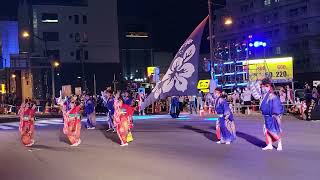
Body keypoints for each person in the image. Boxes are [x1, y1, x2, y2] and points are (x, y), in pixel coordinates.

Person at [260, 78, 284, 151]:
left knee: (275, 130)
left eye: (264, 86)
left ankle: (280, 144)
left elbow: (276, 106)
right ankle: (269, 144)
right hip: (266, 116)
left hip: (273, 116)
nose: (263, 88)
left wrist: (277, 115)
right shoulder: (265, 95)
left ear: (267, 86)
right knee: (267, 130)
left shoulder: (272, 96)